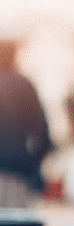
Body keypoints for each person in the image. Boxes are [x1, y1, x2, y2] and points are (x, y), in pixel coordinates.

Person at [0, 39, 52, 207]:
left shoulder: (22, 84)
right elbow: (41, 130)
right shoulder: (24, 85)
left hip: (14, 167)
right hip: (17, 172)